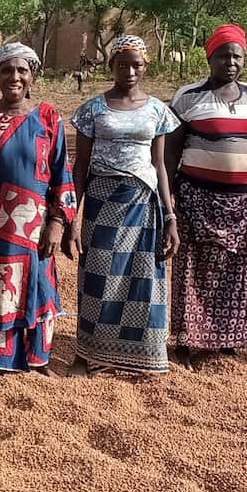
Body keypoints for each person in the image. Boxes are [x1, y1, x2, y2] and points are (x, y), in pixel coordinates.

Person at [0, 43, 76, 379]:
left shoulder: (50, 118)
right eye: (7, 70)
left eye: (22, 70)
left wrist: (56, 223)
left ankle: (37, 359)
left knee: (37, 285)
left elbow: (61, 172)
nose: (15, 77)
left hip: (35, 230)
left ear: (33, 75)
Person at [64, 35, 180, 376]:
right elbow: (80, 164)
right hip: (102, 201)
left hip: (144, 202)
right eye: (122, 64)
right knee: (98, 277)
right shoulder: (92, 110)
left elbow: (160, 165)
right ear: (112, 66)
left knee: (143, 278)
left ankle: (142, 356)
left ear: (145, 67)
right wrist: (73, 214)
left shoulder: (158, 110)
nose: (129, 70)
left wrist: (170, 216)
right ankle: (86, 356)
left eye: (136, 64)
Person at [165, 24, 247, 370]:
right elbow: (169, 153)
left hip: (246, 202)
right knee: (195, 270)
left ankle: (228, 339)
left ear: (245, 59)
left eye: (236, 55)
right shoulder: (189, 96)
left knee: (236, 270)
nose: (230, 62)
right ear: (209, 57)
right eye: (223, 55)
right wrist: (167, 201)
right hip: (197, 200)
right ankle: (187, 341)